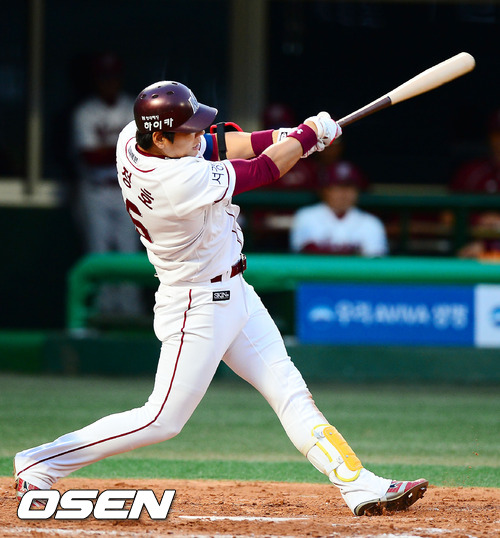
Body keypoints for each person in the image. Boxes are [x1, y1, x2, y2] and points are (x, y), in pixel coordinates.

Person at [14, 81, 426, 516]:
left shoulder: (133, 137)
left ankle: (358, 485)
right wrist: (307, 137)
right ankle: (41, 462)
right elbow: (264, 170)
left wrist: (289, 136)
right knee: (161, 420)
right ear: (160, 138)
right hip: (197, 305)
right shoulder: (177, 180)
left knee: (291, 393)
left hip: (236, 293)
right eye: (187, 130)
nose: (197, 136)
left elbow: (219, 144)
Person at [71, 51, 143, 316]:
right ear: (96, 80)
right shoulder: (85, 112)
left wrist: (110, 149)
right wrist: (123, 148)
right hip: (96, 191)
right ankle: (98, 316)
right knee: (97, 253)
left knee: (128, 254)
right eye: (103, 77)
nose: (109, 83)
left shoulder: (132, 109)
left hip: (126, 191)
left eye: (113, 77)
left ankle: (129, 313)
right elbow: (89, 156)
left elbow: (144, 152)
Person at [290, 160, 389, 256]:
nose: (344, 193)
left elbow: (374, 261)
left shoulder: (372, 223)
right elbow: (302, 256)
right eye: (338, 187)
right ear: (325, 190)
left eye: (349, 187)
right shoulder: (306, 217)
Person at [449, 109, 500, 259]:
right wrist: (478, 221)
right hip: (472, 248)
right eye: (498, 134)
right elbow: (447, 216)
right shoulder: (472, 173)